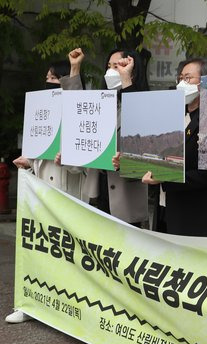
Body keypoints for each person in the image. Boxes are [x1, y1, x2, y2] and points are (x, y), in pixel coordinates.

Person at [6, 49, 90, 324]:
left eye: (54, 78)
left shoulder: (80, 114)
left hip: (68, 192)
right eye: (48, 78)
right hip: (40, 191)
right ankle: (30, 303)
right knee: (36, 248)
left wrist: (71, 159)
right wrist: (28, 161)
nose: (48, 82)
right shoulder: (41, 113)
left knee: (67, 252)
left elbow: (87, 160)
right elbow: (37, 153)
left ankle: (67, 309)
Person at [142, 58, 207, 237]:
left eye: (188, 78)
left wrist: (165, 178)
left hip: (198, 214)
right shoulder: (174, 116)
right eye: (180, 78)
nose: (182, 83)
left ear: (205, 83)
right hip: (168, 207)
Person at [92, 49, 149, 227]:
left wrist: (126, 79)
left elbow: (138, 122)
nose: (110, 71)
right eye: (108, 66)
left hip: (125, 198)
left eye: (117, 66)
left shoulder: (143, 102)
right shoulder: (102, 104)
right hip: (99, 189)